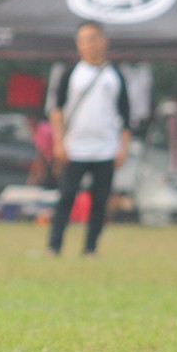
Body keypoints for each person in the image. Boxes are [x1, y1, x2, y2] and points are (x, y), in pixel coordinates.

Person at [47, 20, 131, 257]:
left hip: (105, 148)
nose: (89, 44)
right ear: (78, 44)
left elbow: (126, 117)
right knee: (66, 197)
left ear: (104, 41)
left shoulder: (115, 75)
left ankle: (90, 248)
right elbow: (57, 110)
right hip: (75, 147)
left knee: (99, 201)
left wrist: (122, 148)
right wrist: (58, 143)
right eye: (84, 40)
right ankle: (54, 246)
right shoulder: (70, 72)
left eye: (94, 38)